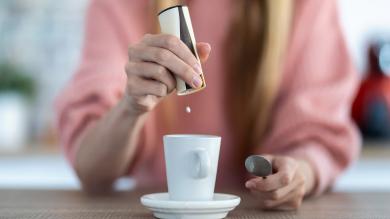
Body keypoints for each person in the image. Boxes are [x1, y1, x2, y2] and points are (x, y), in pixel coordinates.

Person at [55, 0, 360, 210]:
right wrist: (130, 107)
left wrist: (298, 174)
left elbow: (317, 136)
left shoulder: (305, 6)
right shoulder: (121, 6)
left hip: (260, 210)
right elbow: (92, 168)